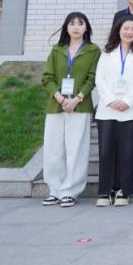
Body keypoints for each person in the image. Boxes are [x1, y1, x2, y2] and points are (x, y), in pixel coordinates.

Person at [41, 12, 100, 208]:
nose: (76, 27)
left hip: (80, 106)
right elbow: (47, 78)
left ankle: (70, 191)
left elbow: (92, 79)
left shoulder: (93, 50)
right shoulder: (57, 50)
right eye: (72, 23)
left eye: (80, 23)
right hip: (56, 106)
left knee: (76, 150)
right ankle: (55, 190)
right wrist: (59, 98)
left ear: (86, 27)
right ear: (66, 27)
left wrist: (76, 99)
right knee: (53, 149)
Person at [94, 17, 133, 207]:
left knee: (128, 152)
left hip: (132, 110)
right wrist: (110, 100)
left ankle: (124, 191)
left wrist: (127, 101)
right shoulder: (107, 51)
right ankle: (105, 191)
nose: (129, 32)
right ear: (118, 30)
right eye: (126, 28)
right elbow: (99, 78)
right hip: (107, 110)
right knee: (106, 152)